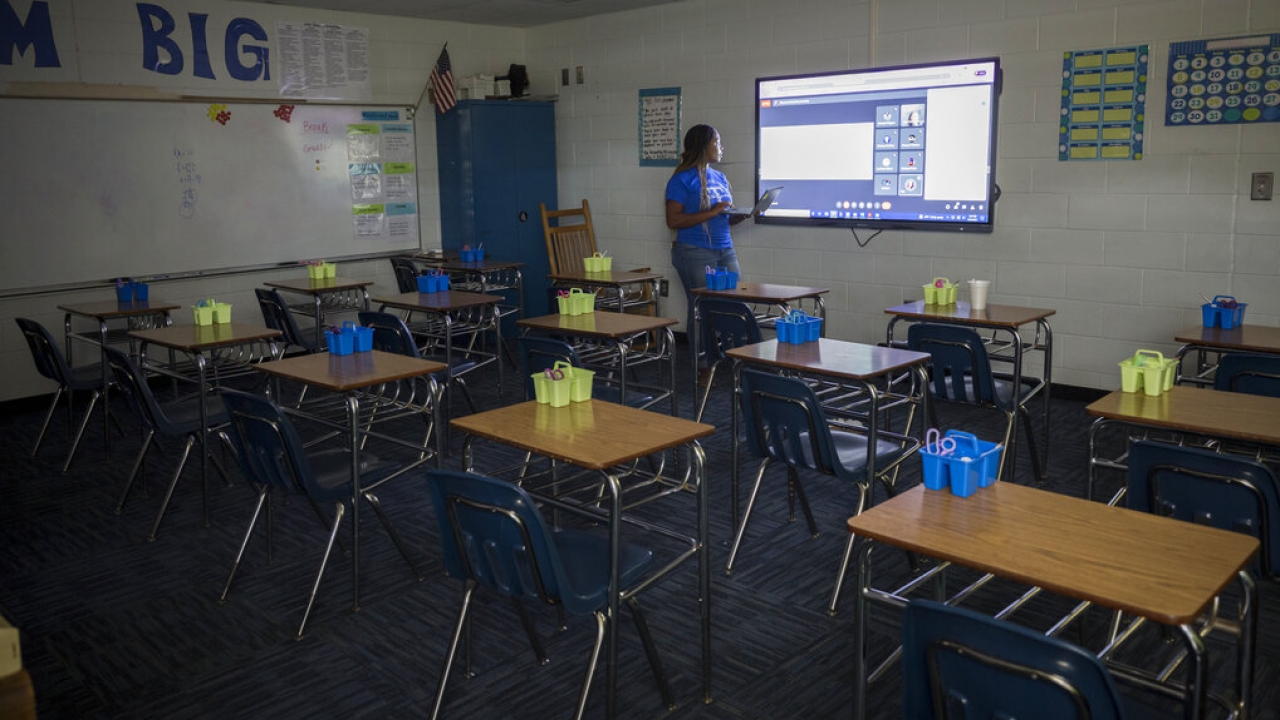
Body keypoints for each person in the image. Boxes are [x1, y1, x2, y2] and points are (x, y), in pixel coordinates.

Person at [665, 124, 747, 384]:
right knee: (701, 308)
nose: (721, 147)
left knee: (735, 304)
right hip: (694, 251)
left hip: (724, 248)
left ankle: (735, 361)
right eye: (717, 142)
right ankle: (702, 366)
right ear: (703, 146)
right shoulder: (681, 179)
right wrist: (713, 211)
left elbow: (721, 217)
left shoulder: (720, 178)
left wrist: (738, 216)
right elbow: (673, 220)